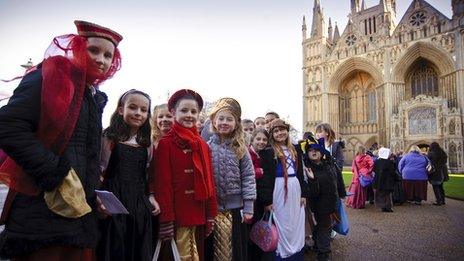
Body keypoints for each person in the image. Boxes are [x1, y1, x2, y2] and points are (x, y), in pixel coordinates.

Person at [0, 20, 122, 260]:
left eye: (108, 55)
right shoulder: (49, 75)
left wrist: (90, 194)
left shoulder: (91, 94)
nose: (102, 59)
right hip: (42, 211)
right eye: (94, 50)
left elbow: (81, 154)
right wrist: (55, 172)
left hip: (74, 214)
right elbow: (7, 125)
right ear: (77, 48)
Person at [150, 89, 217, 261]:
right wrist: (166, 219)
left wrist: (210, 215)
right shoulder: (166, 144)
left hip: (199, 214)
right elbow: (162, 185)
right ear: (173, 112)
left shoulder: (203, 144)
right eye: (184, 111)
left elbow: (210, 182)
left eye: (194, 112)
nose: (189, 115)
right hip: (178, 216)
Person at [98, 89, 159, 261]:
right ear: (120, 110)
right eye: (133, 108)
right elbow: (100, 169)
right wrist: (100, 199)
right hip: (114, 201)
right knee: (115, 246)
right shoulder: (108, 137)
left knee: (138, 247)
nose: (138, 113)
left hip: (139, 203)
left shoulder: (147, 143)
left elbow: (148, 174)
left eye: (143, 110)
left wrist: (152, 197)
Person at [207, 97, 256, 261]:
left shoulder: (240, 148)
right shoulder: (206, 147)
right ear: (214, 121)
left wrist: (248, 206)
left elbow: (248, 176)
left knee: (235, 248)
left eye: (229, 119)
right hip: (212, 208)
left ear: (236, 123)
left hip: (235, 208)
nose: (224, 122)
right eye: (221, 118)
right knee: (212, 248)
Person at [269, 119, 307, 260]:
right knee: (281, 219)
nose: (280, 133)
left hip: (295, 187)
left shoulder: (295, 148)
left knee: (294, 220)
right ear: (272, 135)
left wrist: (303, 193)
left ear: (287, 131)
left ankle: (295, 253)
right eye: (276, 131)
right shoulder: (269, 150)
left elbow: (301, 174)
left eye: (282, 130)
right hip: (278, 189)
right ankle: (281, 254)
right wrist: (268, 200)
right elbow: (267, 177)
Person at [301, 134, 342, 261]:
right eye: (310, 150)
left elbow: (338, 180)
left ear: (321, 152)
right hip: (318, 205)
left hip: (331, 202)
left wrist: (342, 194)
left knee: (322, 227)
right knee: (325, 227)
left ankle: (319, 246)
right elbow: (312, 192)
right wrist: (312, 179)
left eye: (316, 150)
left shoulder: (328, 164)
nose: (313, 152)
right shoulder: (307, 168)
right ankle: (324, 253)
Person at [247, 129, 276, 261]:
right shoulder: (247, 153)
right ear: (252, 140)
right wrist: (257, 172)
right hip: (249, 201)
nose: (261, 142)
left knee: (258, 232)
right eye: (258, 139)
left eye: (264, 140)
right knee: (250, 233)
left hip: (259, 200)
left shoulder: (263, 155)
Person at [372, 148, 399, 213]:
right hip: (387, 181)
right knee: (387, 194)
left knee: (380, 193)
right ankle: (387, 207)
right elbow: (393, 172)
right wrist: (397, 178)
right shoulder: (390, 162)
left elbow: (374, 170)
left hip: (378, 180)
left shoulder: (376, 161)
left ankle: (383, 206)